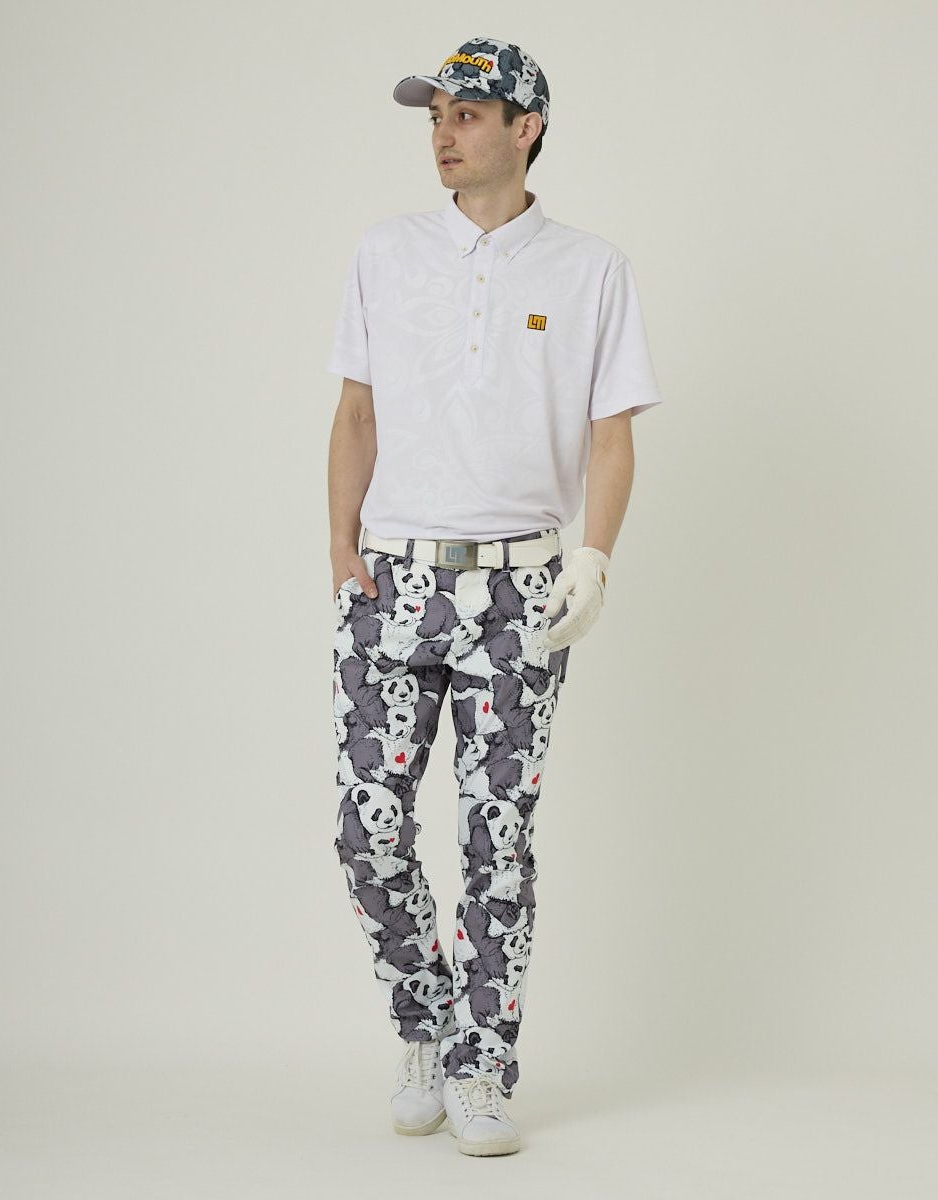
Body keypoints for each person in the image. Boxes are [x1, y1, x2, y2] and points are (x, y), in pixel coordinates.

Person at [326, 35, 664, 1156]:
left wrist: (593, 559)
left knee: (498, 841)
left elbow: (610, 434)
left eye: (466, 114)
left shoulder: (590, 269)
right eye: (435, 115)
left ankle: (481, 1067)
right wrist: (340, 551)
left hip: (521, 589)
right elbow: (356, 411)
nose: (443, 133)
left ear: (527, 127)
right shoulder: (385, 253)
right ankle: (426, 1025)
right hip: (392, 579)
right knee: (366, 830)